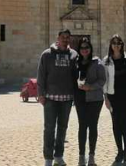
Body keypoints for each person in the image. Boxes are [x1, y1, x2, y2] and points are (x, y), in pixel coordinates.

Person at [37, 29, 78, 166]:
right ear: (57, 38)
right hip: (50, 98)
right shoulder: (47, 55)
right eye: (63, 37)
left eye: (68, 37)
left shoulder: (73, 55)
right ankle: (48, 158)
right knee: (49, 128)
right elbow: (41, 75)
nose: (65, 40)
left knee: (62, 128)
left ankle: (58, 157)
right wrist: (40, 94)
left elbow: (76, 76)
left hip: (67, 98)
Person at [103, 35, 126, 164]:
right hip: (113, 97)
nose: (116, 45)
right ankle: (120, 151)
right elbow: (104, 81)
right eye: (114, 43)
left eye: (119, 43)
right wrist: (106, 98)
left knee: (125, 123)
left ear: (122, 44)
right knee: (116, 124)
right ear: (110, 45)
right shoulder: (106, 61)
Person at [74, 38, 106, 166]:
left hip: (95, 99)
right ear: (79, 50)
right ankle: (81, 156)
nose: (84, 49)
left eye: (86, 47)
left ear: (90, 48)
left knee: (92, 126)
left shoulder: (97, 62)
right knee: (82, 126)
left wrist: (90, 87)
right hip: (80, 98)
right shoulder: (75, 63)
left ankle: (91, 156)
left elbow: (102, 80)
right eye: (82, 47)